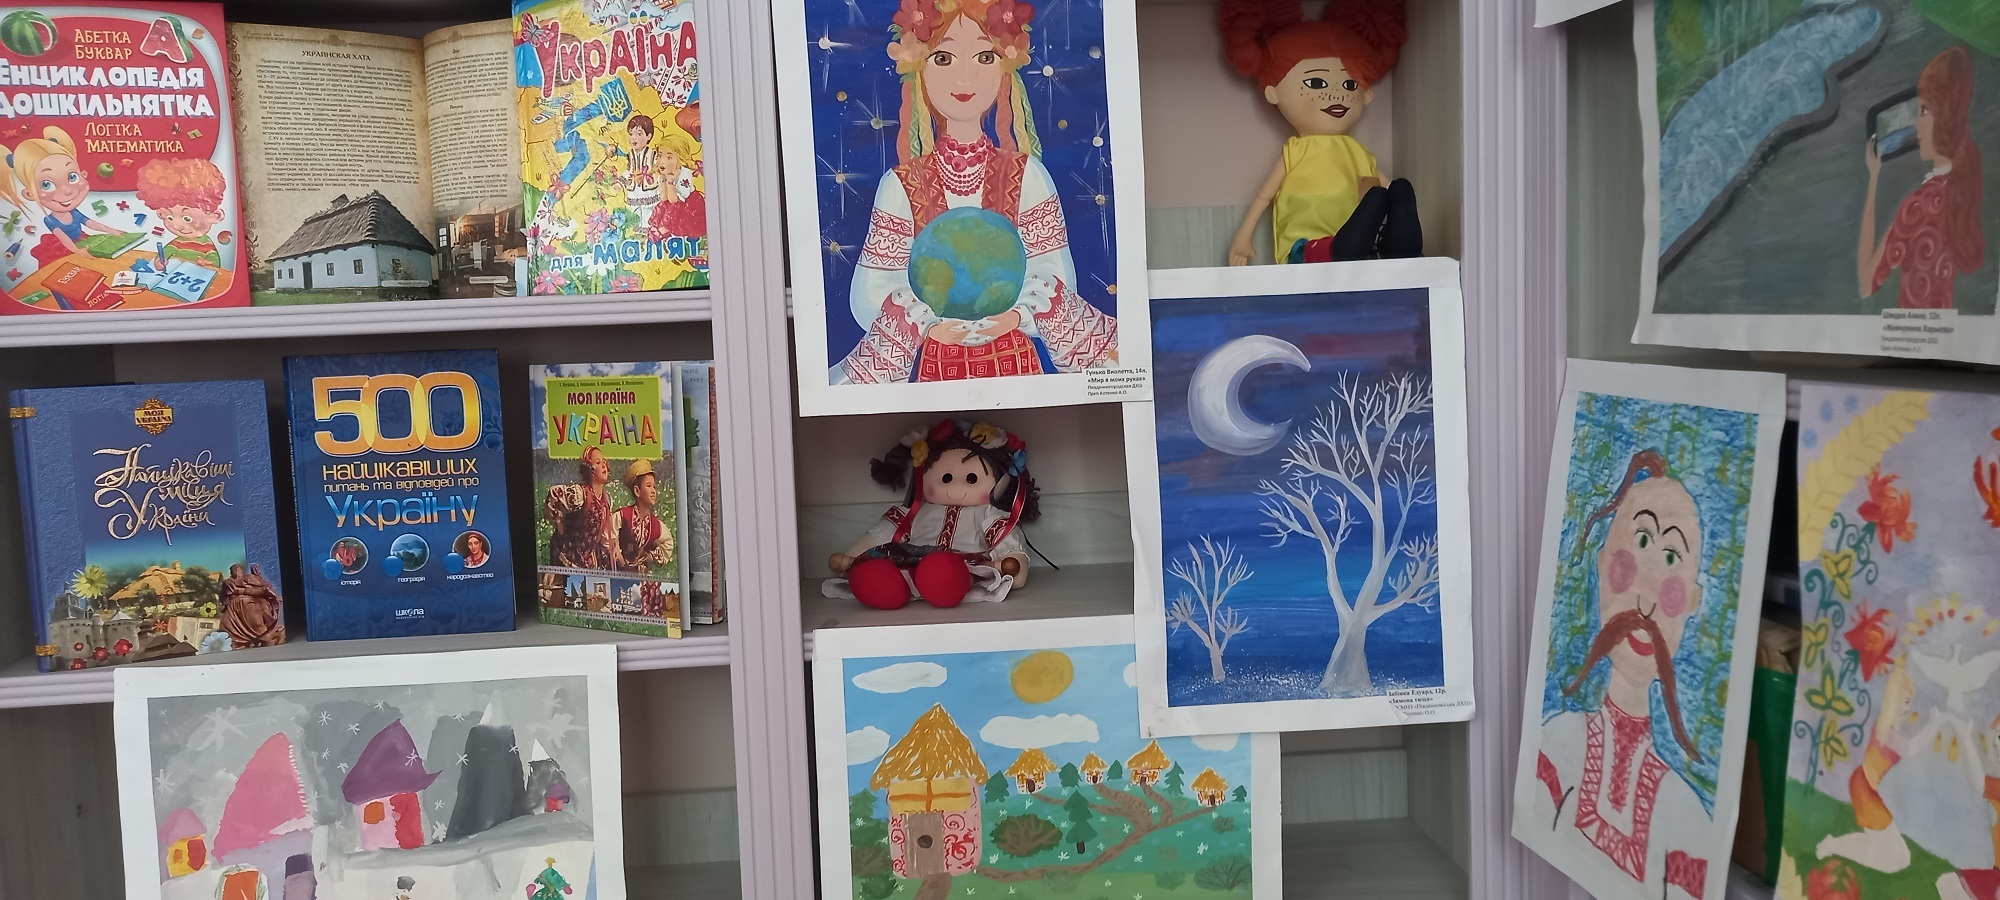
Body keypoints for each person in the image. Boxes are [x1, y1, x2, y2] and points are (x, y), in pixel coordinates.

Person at [837, 0, 1118, 385]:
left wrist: (1016, 316)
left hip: (1014, 358)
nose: (965, 78)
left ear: (1005, 67)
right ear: (919, 70)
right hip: (938, 363)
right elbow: (870, 291)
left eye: (984, 57)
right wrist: (930, 326)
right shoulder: (901, 183)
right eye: (943, 59)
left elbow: (1055, 274)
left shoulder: (1027, 174)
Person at [1525, 450, 1714, 897]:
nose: (1646, 598)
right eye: (1641, 542)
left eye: (1672, 557)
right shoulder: (1555, 744)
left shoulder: (1688, 821)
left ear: (1691, 602)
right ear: (1604, 562)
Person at [1221, 0, 1418, 265]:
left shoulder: (1357, 152)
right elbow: (1263, 197)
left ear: (1366, 94)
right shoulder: (1296, 151)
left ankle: (1399, 247)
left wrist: (1396, 199)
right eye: (1316, 82)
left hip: (1358, 246)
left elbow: (1384, 189)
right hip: (1307, 248)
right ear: (1273, 92)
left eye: (1349, 84)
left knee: (1393, 192)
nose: (1336, 94)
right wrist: (1244, 236)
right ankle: (1347, 249)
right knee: (1339, 245)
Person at [828, 420, 1038, 609]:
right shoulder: (916, 512)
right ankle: (882, 585)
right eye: (946, 478)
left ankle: (941, 582)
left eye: (971, 479)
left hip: (963, 567)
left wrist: (1012, 561)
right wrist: (854, 558)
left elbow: (1007, 545)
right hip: (912, 561)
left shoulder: (987, 514)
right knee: (892, 570)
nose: (955, 487)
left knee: (947, 571)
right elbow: (884, 533)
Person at [1859, 46, 1985, 309]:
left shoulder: (1920, 206)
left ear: (1945, 115)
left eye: (1924, 110)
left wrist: (1873, 179)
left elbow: (1866, 283)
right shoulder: (1962, 185)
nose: (1916, 124)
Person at [2, 126, 120, 270]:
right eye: (46, 185)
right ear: (30, 194)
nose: (67, 191)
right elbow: (64, 239)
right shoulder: (50, 220)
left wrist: (112, 231)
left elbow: (91, 223)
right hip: (62, 249)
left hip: (81, 241)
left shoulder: (74, 213)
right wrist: (78, 252)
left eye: (72, 177)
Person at [135, 158, 229, 269]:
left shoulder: (206, 245)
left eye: (187, 218)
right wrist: (159, 261)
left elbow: (215, 263)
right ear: (161, 214)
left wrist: (208, 263)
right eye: (169, 217)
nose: (177, 226)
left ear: (215, 216)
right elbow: (167, 252)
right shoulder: (177, 243)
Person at [544, 446, 616, 570]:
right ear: (589, 469)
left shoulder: (606, 501)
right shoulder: (580, 494)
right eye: (598, 462)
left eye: (604, 462)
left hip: (588, 564)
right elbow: (554, 495)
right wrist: (559, 525)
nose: (604, 465)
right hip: (566, 560)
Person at [615, 459, 673, 573]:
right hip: (618, 572)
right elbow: (608, 537)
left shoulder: (656, 525)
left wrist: (650, 557)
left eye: (654, 487)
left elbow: (668, 544)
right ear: (637, 491)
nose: (653, 491)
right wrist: (618, 556)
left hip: (641, 575)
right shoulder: (622, 516)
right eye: (648, 486)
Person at [218, 563, 286, 649]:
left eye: (238, 569)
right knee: (226, 627)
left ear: (241, 570)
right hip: (233, 608)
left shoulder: (249, 578)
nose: (236, 571)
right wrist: (223, 604)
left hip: (249, 604)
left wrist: (243, 590)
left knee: (258, 625)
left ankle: (268, 640)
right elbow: (223, 596)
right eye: (233, 570)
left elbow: (262, 590)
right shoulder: (228, 582)